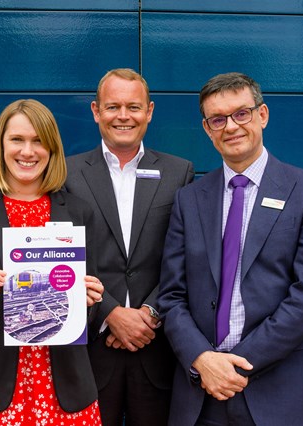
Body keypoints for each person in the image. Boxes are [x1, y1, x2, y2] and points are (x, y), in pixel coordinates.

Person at [157, 72, 303, 425]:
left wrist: (234, 363)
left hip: (283, 390)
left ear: (262, 115)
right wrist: (203, 359)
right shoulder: (189, 199)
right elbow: (172, 296)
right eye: (218, 119)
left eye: (242, 113)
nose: (231, 127)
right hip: (203, 392)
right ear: (208, 129)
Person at [0, 99, 105, 425]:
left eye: (38, 141)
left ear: (52, 148)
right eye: (17, 140)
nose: (28, 151)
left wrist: (88, 299)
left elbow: (92, 306)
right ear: (1, 145)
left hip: (62, 388)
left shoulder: (78, 212)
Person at [64, 68, 194, 426]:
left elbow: (183, 255)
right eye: (113, 106)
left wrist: (149, 313)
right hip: (90, 346)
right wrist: (111, 313)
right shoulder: (65, 173)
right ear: (96, 111)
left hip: (156, 347)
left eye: (134, 107)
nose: (123, 116)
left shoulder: (178, 171)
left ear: (149, 111)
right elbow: (59, 254)